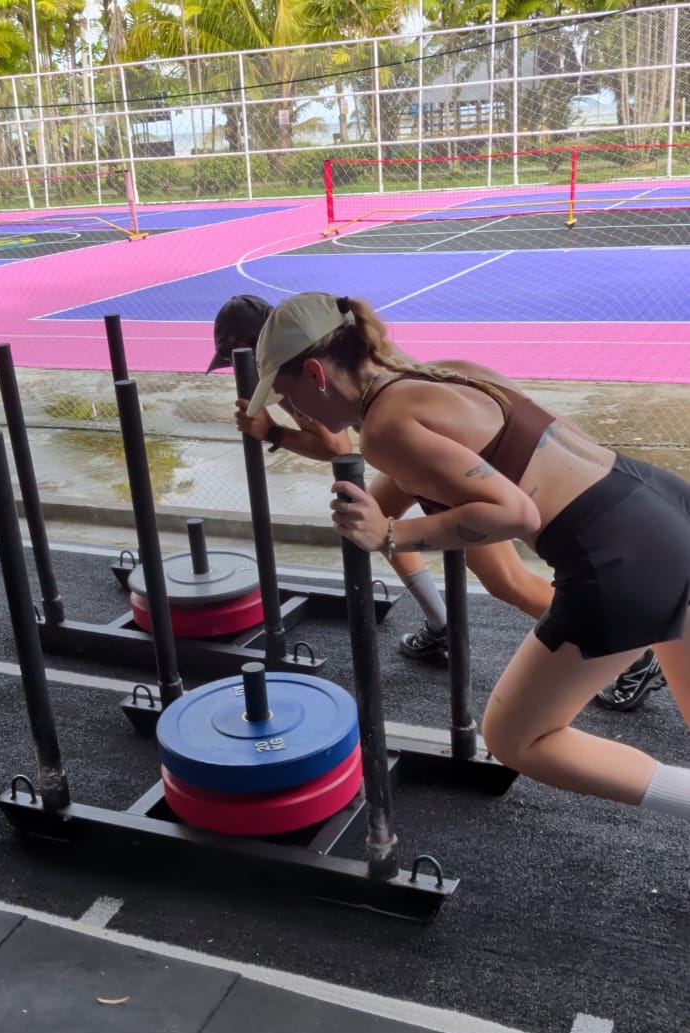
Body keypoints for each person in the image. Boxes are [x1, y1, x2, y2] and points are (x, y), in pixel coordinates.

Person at [244, 290, 690, 821]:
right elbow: (409, 481)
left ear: (316, 373)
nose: (294, 411)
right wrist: (374, 514)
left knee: (515, 737)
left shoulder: (385, 428)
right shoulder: (443, 374)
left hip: (617, 555)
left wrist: (390, 534)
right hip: (661, 504)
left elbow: (516, 513)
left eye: (287, 397)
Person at [208, 294, 663, 711]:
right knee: (374, 518)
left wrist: (273, 431)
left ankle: (634, 654)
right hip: (424, 445)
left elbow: (337, 448)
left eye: (235, 359)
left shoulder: (300, 378)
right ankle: (441, 623)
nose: (237, 371)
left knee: (502, 579)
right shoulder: (337, 340)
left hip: (433, 453)